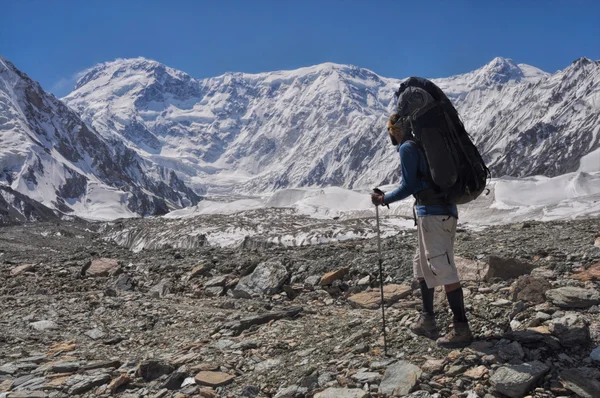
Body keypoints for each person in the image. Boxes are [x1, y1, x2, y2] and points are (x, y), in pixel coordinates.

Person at [371, 84, 473, 348]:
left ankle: (461, 329)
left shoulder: (407, 148)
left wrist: (384, 199)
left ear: (396, 130)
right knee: (422, 265)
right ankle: (428, 319)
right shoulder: (423, 145)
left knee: (442, 268)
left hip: (432, 214)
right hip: (443, 212)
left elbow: (410, 185)